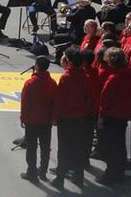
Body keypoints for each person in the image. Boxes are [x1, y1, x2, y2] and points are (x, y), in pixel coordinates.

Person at [52, 47, 93, 191]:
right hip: (79, 117)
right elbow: (88, 98)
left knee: (63, 149)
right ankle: (78, 177)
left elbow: (59, 99)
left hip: (65, 118)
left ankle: (60, 178)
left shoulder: (66, 77)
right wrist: (83, 111)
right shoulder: (85, 77)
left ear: (69, 61)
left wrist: (54, 117)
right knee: (78, 148)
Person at [97, 47, 131, 185]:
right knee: (120, 144)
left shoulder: (113, 78)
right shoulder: (130, 76)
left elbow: (105, 99)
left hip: (112, 116)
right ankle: (119, 173)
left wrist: (101, 116)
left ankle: (111, 175)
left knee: (111, 146)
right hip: (123, 115)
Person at [18, 54, 57, 183]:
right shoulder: (52, 83)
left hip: (32, 120)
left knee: (31, 147)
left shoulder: (30, 83)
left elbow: (25, 102)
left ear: (37, 66)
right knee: (45, 148)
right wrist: (53, 118)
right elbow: (55, 103)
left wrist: (23, 118)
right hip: (46, 121)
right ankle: (43, 171)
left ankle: (32, 172)